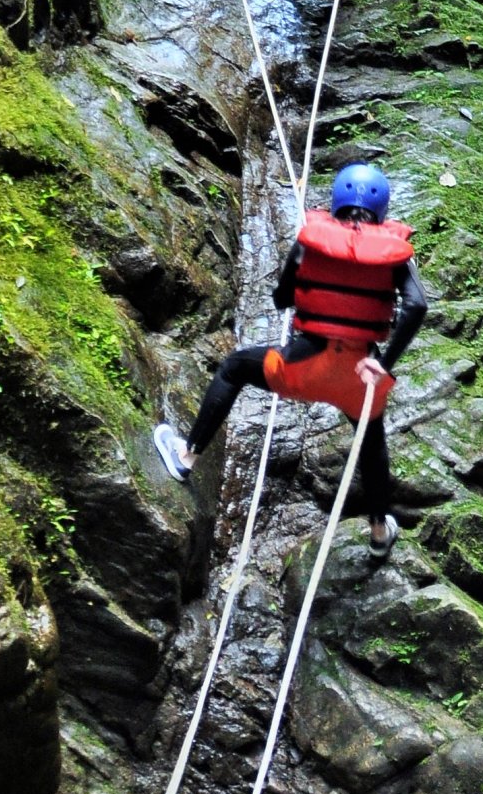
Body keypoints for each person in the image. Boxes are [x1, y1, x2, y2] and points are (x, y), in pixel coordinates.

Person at [154, 160, 426, 552]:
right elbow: (416, 306)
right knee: (371, 441)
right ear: (382, 210)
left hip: (300, 368)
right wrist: (383, 364)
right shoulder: (395, 254)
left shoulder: (311, 238)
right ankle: (380, 531)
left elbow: (282, 298)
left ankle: (186, 455)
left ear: (336, 201)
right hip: (358, 379)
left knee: (233, 369)